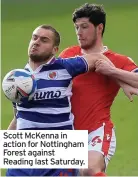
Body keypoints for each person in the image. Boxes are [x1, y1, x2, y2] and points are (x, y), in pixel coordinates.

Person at [6, 24, 115, 176]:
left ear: (54, 50)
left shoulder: (64, 67)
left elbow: (97, 58)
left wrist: (119, 77)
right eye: (34, 37)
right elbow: (18, 117)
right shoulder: (16, 79)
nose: (36, 42)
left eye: (44, 40)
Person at [59, 3, 138, 176]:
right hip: (67, 132)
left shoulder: (118, 60)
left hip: (97, 130)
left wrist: (112, 71)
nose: (79, 32)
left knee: (89, 169)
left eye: (85, 27)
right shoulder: (68, 54)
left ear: (99, 28)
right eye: (76, 27)